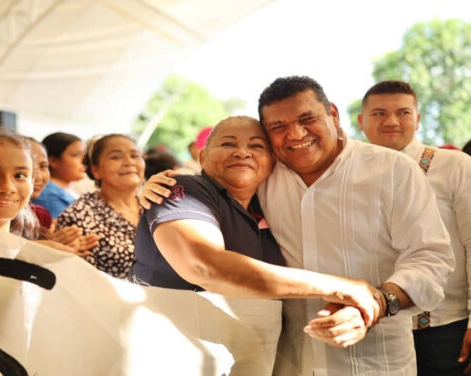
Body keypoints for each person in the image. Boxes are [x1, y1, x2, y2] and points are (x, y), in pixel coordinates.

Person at [142, 76, 454, 375]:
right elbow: (206, 239)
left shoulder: (392, 170)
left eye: (307, 119)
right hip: (283, 362)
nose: (295, 135)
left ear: (333, 114)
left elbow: (431, 259)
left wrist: (377, 302)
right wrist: (158, 187)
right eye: (278, 126)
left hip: (373, 362)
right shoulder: (264, 174)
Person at [133, 117, 381, 340]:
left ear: (273, 163)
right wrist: (340, 287)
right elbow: (205, 266)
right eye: (228, 144)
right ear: (202, 157)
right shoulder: (182, 188)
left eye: (257, 146)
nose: (243, 153)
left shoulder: (269, 211)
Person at [358, 80, 471, 376]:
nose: (391, 121)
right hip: (375, 330)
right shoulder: (351, 176)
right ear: (361, 121)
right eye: (379, 113)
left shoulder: (454, 165)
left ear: (418, 119)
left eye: (403, 112)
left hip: (446, 328)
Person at [57, 134, 144, 279]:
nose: (129, 162)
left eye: (135, 155)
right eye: (116, 157)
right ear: (95, 169)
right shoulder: (78, 216)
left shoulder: (154, 206)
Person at [31, 132, 86, 218]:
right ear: (52, 161)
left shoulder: (68, 188)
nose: (84, 161)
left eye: (84, 155)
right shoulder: (48, 196)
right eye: (76, 155)